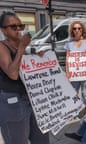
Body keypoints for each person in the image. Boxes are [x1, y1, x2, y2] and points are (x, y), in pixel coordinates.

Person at [0, 11, 49, 144]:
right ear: (3, 30)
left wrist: (40, 59)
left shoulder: (22, 46)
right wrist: (22, 47)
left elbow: (28, 69)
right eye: (13, 27)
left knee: (42, 138)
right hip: (13, 101)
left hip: (32, 98)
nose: (18, 30)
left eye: (20, 26)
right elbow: (13, 73)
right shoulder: (2, 46)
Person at [64, 21, 86, 116]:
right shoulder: (69, 43)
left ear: (82, 29)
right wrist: (67, 71)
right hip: (74, 74)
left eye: (79, 28)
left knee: (85, 94)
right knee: (73, 93)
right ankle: (75, 109)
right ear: (72, 31)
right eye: (74, 28)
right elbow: (67, 58)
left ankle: (83, 111)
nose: (77, 30)